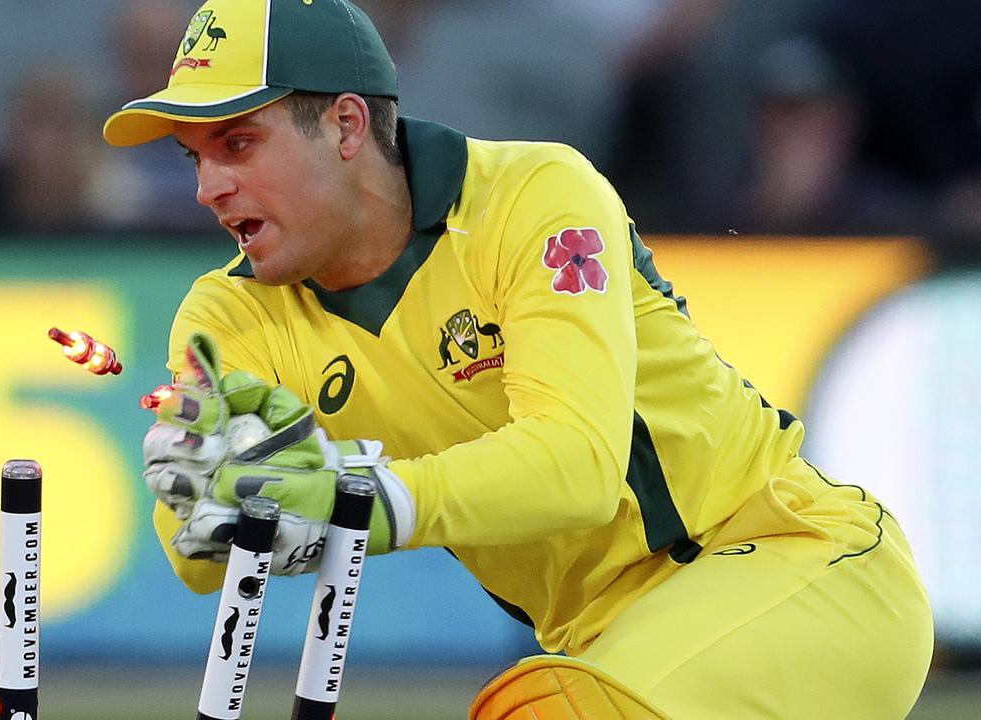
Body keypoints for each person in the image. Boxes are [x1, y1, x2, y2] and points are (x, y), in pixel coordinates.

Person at [105, 1, 934, 717]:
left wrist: (353, 497)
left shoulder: (534, 194)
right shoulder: (229, 314)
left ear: (348, 126)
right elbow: (194, 560)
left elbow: (576, 463)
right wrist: (214, 494)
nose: (210, 185)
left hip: (797, 567)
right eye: (196, 156)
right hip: (609, 646)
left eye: (239, 144)